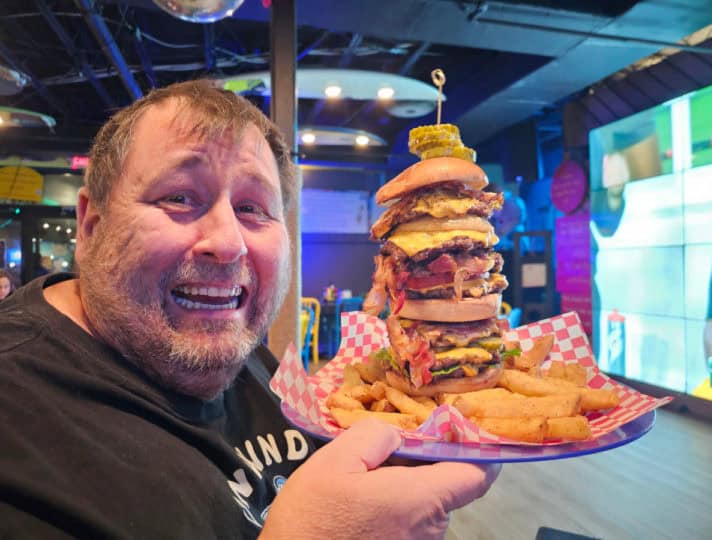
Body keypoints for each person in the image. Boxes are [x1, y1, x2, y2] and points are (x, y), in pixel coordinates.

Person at [0, 80, 499, 539]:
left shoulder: (245, 357)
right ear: (90, 226)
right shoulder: (17, 411)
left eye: (253, 208)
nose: (228, 243)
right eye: (179, 197)